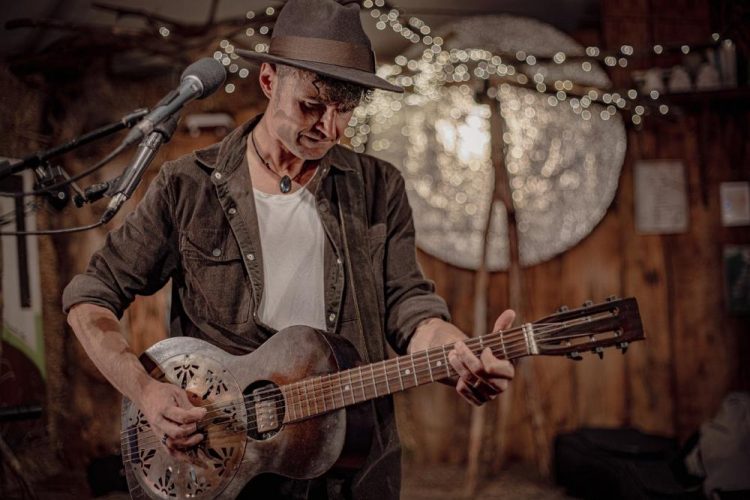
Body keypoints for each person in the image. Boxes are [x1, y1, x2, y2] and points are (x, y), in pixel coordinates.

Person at [62, 0, 516, 498]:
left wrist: (455, 352)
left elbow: (411, 308)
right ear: (268, 80)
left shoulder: (378, 187)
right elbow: (89, 299)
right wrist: (145, 390)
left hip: (351, 465)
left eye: (345, 111)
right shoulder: (186, 186)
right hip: (225, 460)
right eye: (311, 106)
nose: (331, 128)